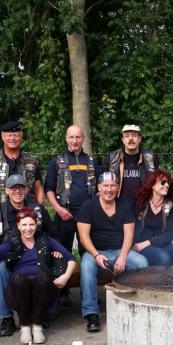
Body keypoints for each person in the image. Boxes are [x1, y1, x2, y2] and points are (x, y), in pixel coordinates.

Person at [0, 120, 44, 315]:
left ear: (21, 137)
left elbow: (38, 187)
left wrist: (40, 210)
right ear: (3, 137)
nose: (13, 138)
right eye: (9, 134)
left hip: (27, 212)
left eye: (16, 134)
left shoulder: (32, 160)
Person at [0, 174, 54, 337]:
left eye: (20, 188)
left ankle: (39, 314)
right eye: (13, 188)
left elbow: (52, 234)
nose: (17, 191)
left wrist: (53, 251)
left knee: (46, 267)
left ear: (26, 190)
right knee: (0, 267)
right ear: (7, 191)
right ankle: (6, 318)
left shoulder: (38, 210)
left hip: (33, 255)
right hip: (7, 257)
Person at [0, 208, 75, 344]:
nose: (28, 228)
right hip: (18, 289)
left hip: (43, 288)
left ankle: (37, 326)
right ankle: (25, 327)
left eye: (31, 224)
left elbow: (71, 258)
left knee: (42, 278)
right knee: (19, 278)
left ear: (36, 224)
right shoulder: (13, 241)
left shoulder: (45, 239)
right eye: (24, 225)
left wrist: (66, 276)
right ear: (18, 226)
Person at [76, 172, 149, 331]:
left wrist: (123, 256)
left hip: (119, 250)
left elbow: (129, 235)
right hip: (95, 251)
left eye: (112, 186)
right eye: (105, 186)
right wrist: (96, 255)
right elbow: (83, 237)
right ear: (99, 187)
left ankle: (138, 302)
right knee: (86, 266)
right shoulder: (88, 206)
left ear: (117, 188)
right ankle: (91, 313)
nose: (109, 189)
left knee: (141, 262)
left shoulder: (124, 205)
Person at [44, 125, 98, 311]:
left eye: (78, 137)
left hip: (88, 218)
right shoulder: (57, 161)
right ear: (66, 138)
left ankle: (88, 294)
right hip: (64, 216)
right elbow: (49, 189)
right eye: (71, 137)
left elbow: (100, 188)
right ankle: (62, 294)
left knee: (88, 254)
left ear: (83, 138)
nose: (75, 141)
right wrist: (58, 209)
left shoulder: (91, 161)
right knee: (62, 254)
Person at [104, 124, 159, 204]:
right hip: (118, 205)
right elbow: (103, 183)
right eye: (127, 136)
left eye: (134, 135)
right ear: (123, 140)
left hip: (144, 204)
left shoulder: (150, 158)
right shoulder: (112, 158)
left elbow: (158, 182)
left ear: (139, 139)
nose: (131, 139)